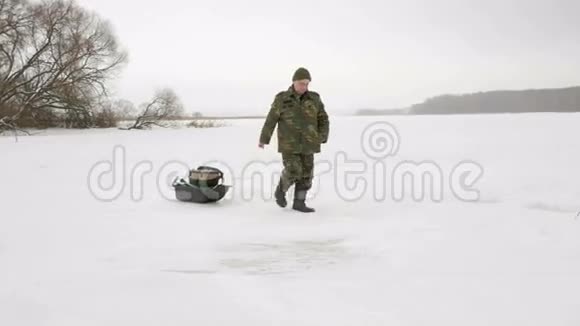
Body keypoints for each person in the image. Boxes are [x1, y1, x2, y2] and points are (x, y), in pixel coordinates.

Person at [258, 67, 329, 213]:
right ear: (294, 82)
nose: (304, 87)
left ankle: (299, 203)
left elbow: (323, 118)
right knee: (294, 170)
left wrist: (322, 136)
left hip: (309, 143)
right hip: (289, 144)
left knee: (306, 175)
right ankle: (281, 190)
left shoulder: (314, 98)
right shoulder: (282, 98)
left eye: (307, 84)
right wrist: (264, 139)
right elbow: (271, 119)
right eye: (302, 83)